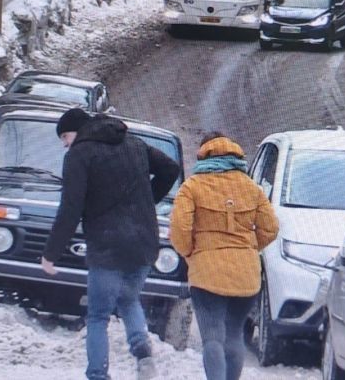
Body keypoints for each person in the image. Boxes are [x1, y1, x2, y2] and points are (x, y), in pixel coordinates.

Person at [41, 108, 180, 380]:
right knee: (128, 299)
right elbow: (170, 168)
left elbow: (70, 209)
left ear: (77, 132)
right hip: (143, 241)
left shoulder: (79, 155)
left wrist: (50, 254)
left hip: (107, 245)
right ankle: (143, 353)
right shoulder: (135, 144)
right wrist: (147, 201)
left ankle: (97, 375)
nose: (65, 144)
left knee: (98, 316)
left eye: (65, 136)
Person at [169, 132, 279, 380]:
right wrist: (248, 249)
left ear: (203, 153)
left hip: (207, 274)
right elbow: (270, 228)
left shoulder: (193, 187)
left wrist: (191, 253)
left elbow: (179, 230)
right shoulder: (251, 187)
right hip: (246, 276)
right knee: (234, 334)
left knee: (212, 338)